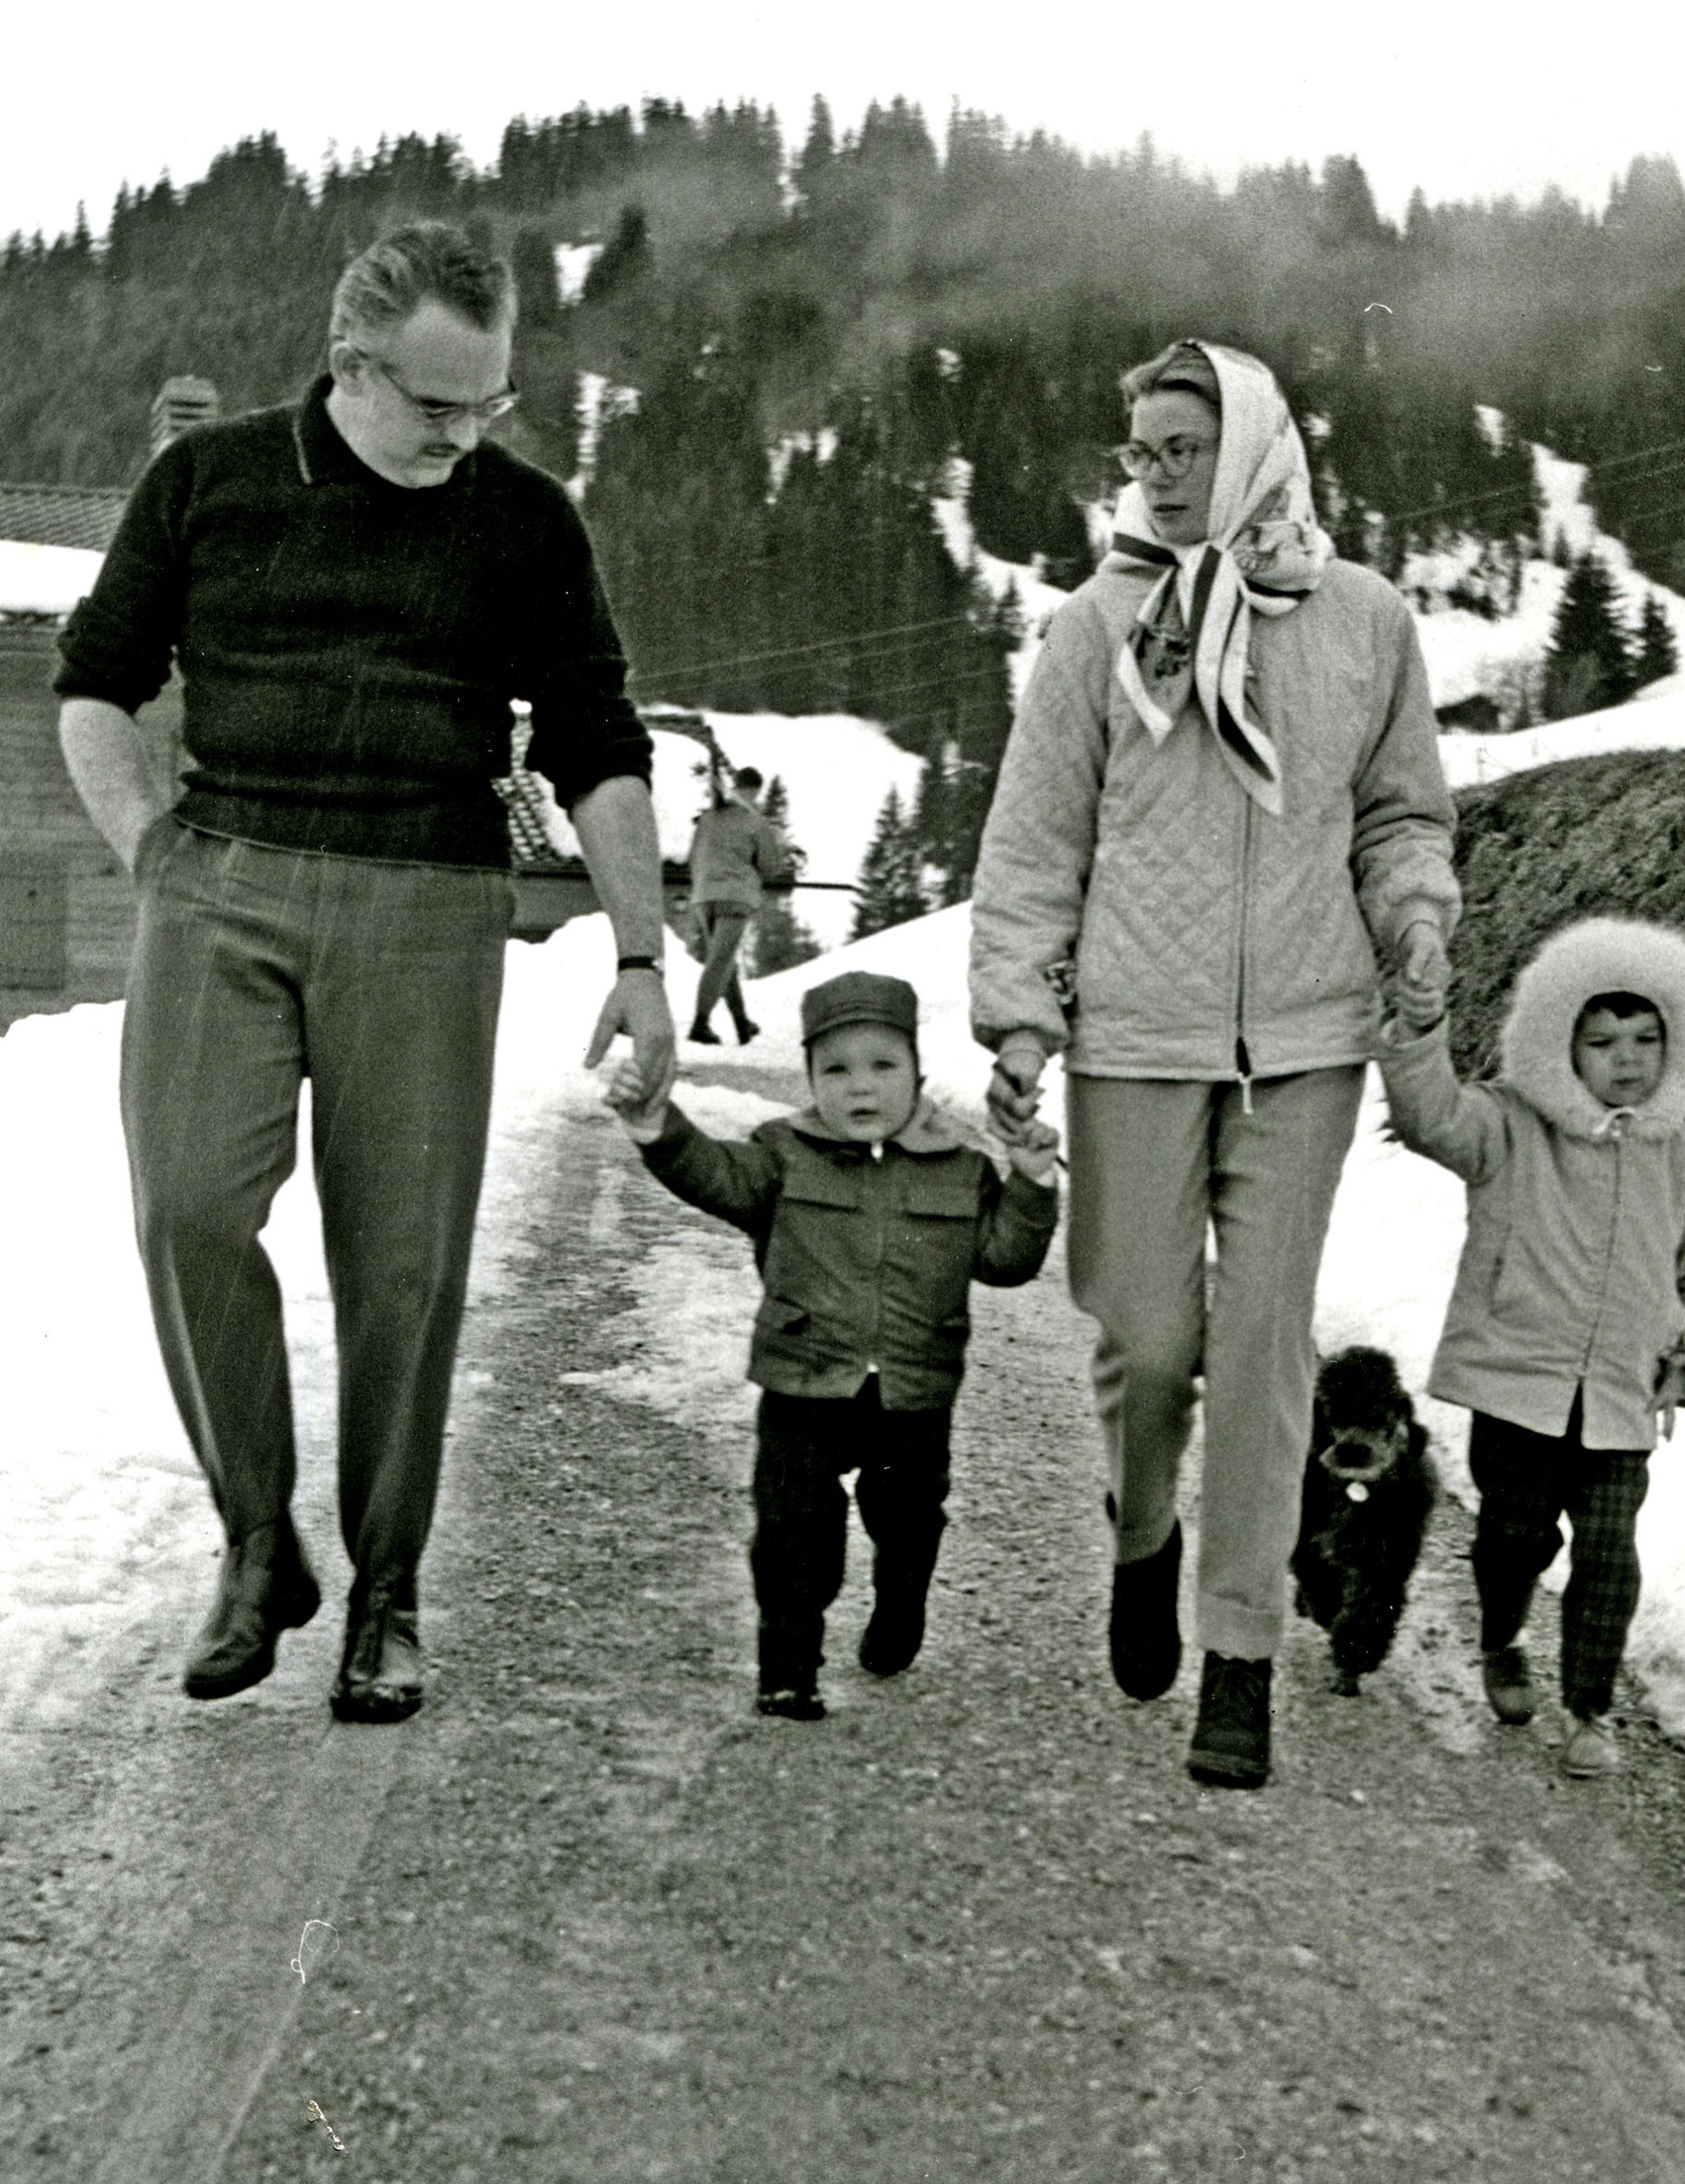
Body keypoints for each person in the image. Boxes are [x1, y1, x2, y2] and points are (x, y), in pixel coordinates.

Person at [55, 221, 674, 1724]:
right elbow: (96, 681)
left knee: (402, 1264)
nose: (464, 436)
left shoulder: (521, 523)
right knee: (188, 1207)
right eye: (435, 406)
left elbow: (596, 742)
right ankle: (259, 1548)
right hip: (224, 882)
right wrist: (155, 850)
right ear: (349, 366)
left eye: (490, 407)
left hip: (427, 903)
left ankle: (385, 1595)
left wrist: (646, 953)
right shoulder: (210, 484)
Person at [969, 339, 1458, 1790]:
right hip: (1129, 1038)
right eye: (1139, 451)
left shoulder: (1363, 620)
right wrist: (1016, 1013)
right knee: (1144, 1336)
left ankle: (1237, 1655)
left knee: (1257, 1346)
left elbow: (1398, 815)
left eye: (1182, 446)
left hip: (1306, 1041)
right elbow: (1033, 840)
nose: (1155, 474)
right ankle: (1140, 1527)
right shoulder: (1095, 627)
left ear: (1251, 445)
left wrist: (1414, 917)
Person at [607, 971, 1059, 1719]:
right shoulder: (782, 1154)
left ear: (917, 1071)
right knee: (792, 1531)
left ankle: (900, 1603)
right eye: (836, 1069)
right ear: (811, 1078)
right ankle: (788, 1665)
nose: (861, 1086)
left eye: (883, 1065)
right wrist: (657, 1125)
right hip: (802, 1380)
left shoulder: (963, 1167)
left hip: (913, 1392)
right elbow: (714, 1175)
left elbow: (1007, 1262)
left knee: (908, 1520)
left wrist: (1032, 1184)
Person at [1379, 916, 1685, 1777]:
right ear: (1558, 1043)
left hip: (1621, 1394)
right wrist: (1420, 1026)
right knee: (1515, 1540)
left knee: (1609, 1553)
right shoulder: (1507, 1128)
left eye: (1647, 1038)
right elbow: (1427, 1115)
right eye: (1602, 1039)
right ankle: (1501, 1637)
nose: (1627, 1058)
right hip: (1518, 1387)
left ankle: (1588, 1710)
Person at [685, 765, 790, 1045]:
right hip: (735, 897)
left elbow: (691, 857)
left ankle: (742, 1023)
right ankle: (700, 1023)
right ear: (756, 789)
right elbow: (771, 867)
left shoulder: (708, 818)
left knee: (723, 959)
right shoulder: (755, 821)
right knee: (720, 961)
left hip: (703, 895)